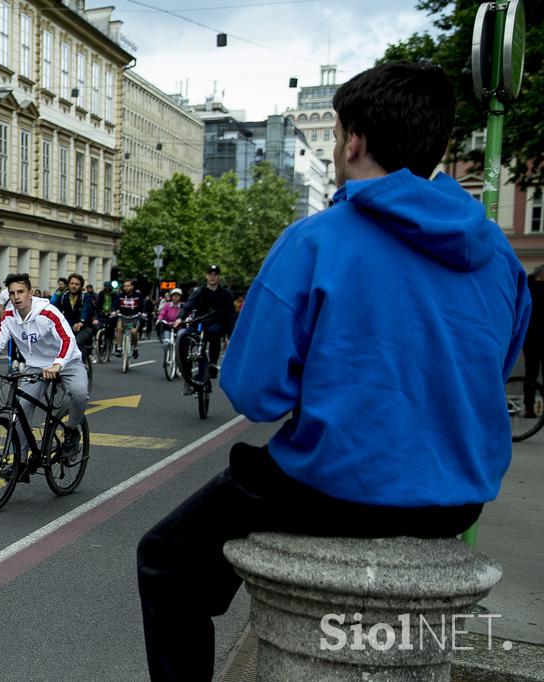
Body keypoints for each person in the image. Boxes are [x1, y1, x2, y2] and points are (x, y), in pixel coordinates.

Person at [136, 61, 532, 682]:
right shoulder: (500, 256)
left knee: (166, 559)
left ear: (351, 141)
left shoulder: (316, 240)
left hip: (337, 488)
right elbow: (496, 363)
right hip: (460, 496)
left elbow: (254, 391)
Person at [0, 272, 88, 459]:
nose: (16, 297)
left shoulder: (48, 313)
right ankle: (20, 462)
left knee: (80, 393)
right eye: (12, 293)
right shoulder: (9, 317)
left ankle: (72, 430)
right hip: (36, 366)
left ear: (30, 292)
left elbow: (67, 339)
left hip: (66, 360)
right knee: (21, 409)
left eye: (21, 292)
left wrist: (57, 365)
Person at [173, 265, 235, 383]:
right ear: (206, 276)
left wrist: (230, 336)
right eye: (210, 274)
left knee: (215, 332)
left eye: (215, 274)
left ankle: (212, 364)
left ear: (219, 277)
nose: (212, 277)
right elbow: (188, 305)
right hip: (199, 324)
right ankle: (187, 373)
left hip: (217, 325)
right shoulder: (199, 292)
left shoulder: (226, 293)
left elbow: (231, 315)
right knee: (183, 339)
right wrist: (180, 318)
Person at [56, 273, 95, 357]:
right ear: (68, 285)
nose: (74, 286)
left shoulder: (86, 297)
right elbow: (56, 311)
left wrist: (81, 322)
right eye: (72, 283)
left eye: (77, 284)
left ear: (81, 286)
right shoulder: (63, 297)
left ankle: (82, 367)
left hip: (84, 326)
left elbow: (85, 310)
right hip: (68, 326)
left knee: (77, 343)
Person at [523, 264, 544, 416]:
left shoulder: (526, 288)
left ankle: (529, 408)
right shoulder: (530, 289)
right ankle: (531, 407)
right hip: (536, 338)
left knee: (530, 373)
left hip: (529, 339)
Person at [113, 279, 145, 359]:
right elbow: (115, 305)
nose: (126, 288)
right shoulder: (120, 296)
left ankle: (135, 348)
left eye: (128, 286)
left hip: (135, 317)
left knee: (134, 332)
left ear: (132, 286)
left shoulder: (138, 296)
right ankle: (119, 348)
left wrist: (143, 312)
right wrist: (114, 311)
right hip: (123, 316)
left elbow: (143, 306)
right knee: (119, 328)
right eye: (124, 286)